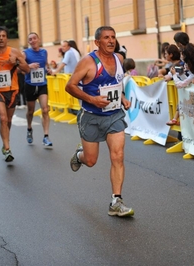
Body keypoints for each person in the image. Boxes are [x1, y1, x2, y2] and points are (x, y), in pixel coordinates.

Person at [65, 26, 134, 217]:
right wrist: (92, 99)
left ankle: (116, 201)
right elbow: (69, 86)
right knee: (91, 160)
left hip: (114, 115)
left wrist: (122, 98)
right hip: (91, 117)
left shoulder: (119, 59)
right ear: (97, 42)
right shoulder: (88, 62)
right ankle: (79, 156)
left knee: (118, 155)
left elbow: (116, 84)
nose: (111, 41)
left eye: (113, 37)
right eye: (106, 38)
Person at [0, 26, 30, 162]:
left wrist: (17, 62)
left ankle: (5, 142)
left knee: (8, 120)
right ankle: (7, 149)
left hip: (12, 89)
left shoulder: (14, 52)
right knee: (3, 118)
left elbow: (26, 69)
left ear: (7, 38)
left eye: (3, 36)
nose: (1, 38)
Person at [22, 32, 53, 147]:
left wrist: (49, 70)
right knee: (30, 111)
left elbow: (45, 64)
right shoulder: (25, 53)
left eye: (35, 38)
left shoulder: (44, 52)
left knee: (45, 109)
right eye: (30, 39)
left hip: (42, 84)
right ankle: (29, 128)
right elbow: (20, 67)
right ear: (29, 42)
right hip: (30, 85)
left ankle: (46, 136)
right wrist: (28, 66)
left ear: (38, 39)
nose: (33, 40)